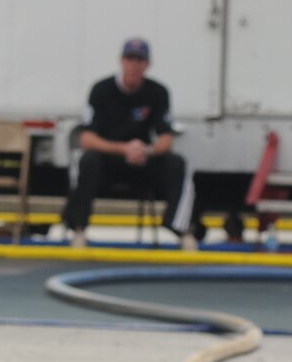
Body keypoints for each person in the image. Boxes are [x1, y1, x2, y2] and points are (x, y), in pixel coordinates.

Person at [61, 38, 198, 251]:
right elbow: (86, 139)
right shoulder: (101, 90)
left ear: (147, 64)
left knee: (178, 163)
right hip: (109, 161)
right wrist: (123, 148)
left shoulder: (158, 92)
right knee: (86, 160)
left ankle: (181, 229)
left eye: (140, 60)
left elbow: (166, 139)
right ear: (121, 61)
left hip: (142, 161)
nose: (134, 64)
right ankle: (78, 229)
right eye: (130, 58)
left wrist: (146, 150)